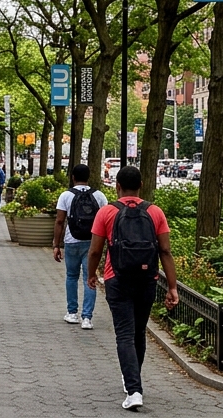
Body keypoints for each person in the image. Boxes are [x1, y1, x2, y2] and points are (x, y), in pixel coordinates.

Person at [87, 165, 178, 411]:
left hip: (117, 278)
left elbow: (95, 250)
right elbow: (165, 250)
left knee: (125, 334)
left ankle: (134, 389)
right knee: (139, 332)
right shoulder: (155, 212)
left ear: (117, 186)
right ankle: (133, 382)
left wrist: (91, 275)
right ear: (141, 186)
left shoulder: (107, 212)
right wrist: (172, 287)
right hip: (147, 279)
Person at [54, 164, 107, 329]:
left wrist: (57, 244)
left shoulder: (66, 195)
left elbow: (60, 221)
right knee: (89, 277)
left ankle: (71, 313)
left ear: (73, 177)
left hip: (72, 240)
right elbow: (106, 220)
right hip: (92, 242)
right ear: (89, 177)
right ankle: (87, 318)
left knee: (71, 276)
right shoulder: (99, 196)